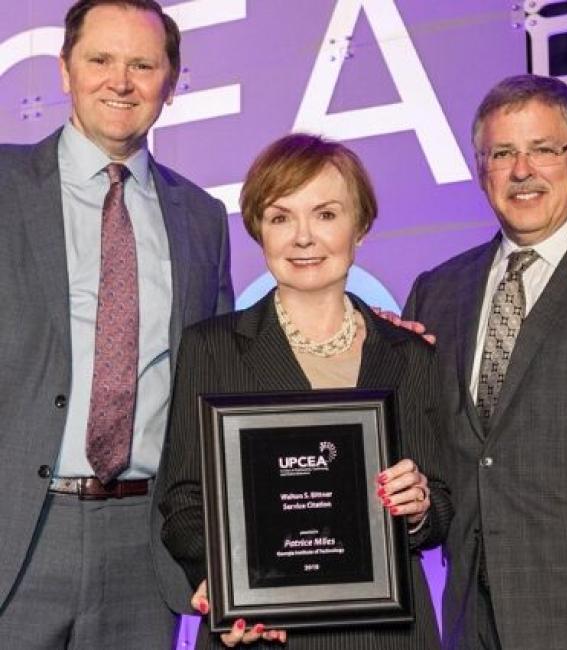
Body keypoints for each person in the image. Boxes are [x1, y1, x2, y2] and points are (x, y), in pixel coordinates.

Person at [159, 133, 453, 649]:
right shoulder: (211, 348)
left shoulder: (410, 355)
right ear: (259, 230)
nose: (303, 238)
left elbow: (447, 503)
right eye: (280, 217)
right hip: (260, 635)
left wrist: (421, 507)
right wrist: (227, 585)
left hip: (385, 636)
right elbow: (183, 500)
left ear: (359, 226)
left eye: (325, 214)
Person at [0, 1, 233, 648]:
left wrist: (354, 333)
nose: (120, 81)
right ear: (65, 70)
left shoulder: (203, 218)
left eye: (142, 64)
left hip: (142, 546)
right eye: (100, 59)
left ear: (172, 79)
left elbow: (221, 373)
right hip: (14, 534)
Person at [404, 73, 567, 650]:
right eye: (503, 153)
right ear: (479, 167)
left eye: (543, 150)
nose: (522, 171)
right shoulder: (438, 291)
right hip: (472, 618)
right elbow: (440, 466)